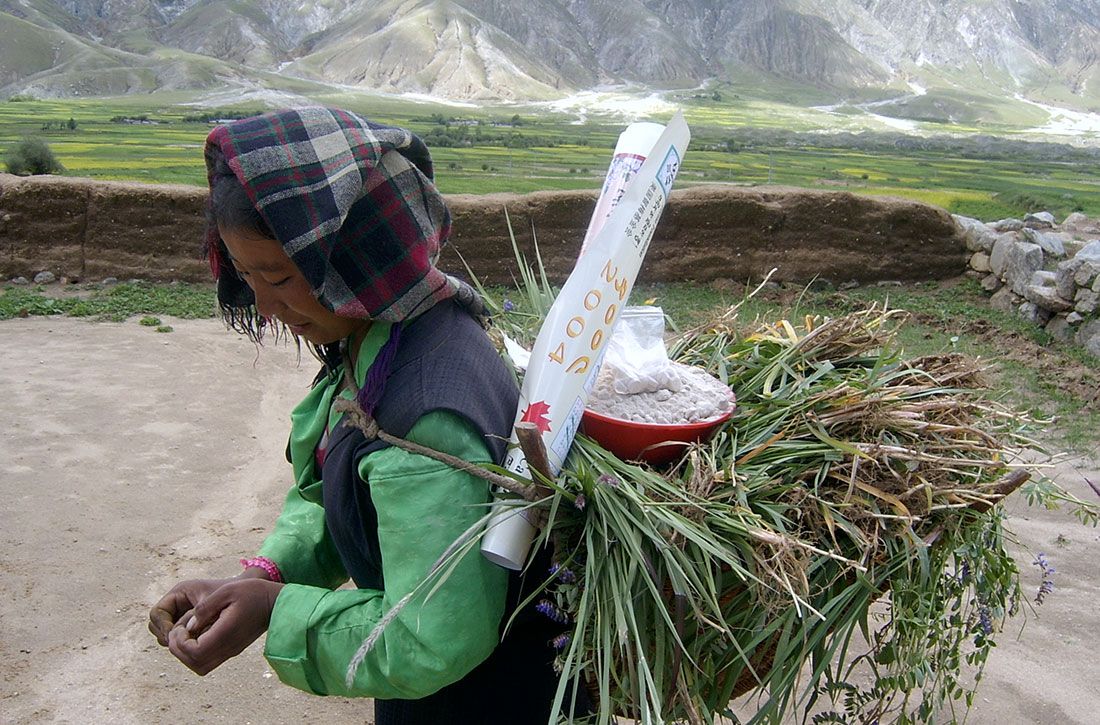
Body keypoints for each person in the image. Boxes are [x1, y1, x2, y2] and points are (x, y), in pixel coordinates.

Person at [148, 107, 575, 724]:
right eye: (247, 277)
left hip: (480, 704)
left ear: (352, 259)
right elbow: (338, 486)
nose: (265, 306)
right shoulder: (384, 337)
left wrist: (277, 610)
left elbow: (429, 639)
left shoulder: (424, 421)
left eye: (280, 278)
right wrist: (265, 575)